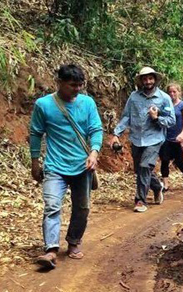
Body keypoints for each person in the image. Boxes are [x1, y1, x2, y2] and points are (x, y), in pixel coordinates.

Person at [30, 64, 103, 269]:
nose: (77, 89)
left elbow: (95, 129)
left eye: (80, 85)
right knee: (52, 205)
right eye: (72, 85)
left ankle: (73, 242)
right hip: (55, 165)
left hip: (83, 166)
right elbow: (36, 133)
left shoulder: (87, 103)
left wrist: (94, 152)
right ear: (59, 82)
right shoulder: (43, 105)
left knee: (82, 208)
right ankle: (51, 249)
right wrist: (35, 162)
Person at [110, 67, 175, 212]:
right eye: (145, 79)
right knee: (140, 169)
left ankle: (140, 201)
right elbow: (126, 116)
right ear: (141, 81)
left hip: (154, 139)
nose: (148, 81)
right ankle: (157, 187)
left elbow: (171, 120)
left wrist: (157, 118)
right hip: (136, 139)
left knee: (145, 166)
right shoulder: (134, 97)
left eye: (150, 78)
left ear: (155, 80)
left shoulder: (164, 98)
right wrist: (116, 134)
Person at [160, 83, 183, 191]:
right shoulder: (165, 105)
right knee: (164, 160)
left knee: (179, 161)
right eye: (170, 92)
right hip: (165, 137)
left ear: (179, 92)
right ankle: (165, 184)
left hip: (178, 137)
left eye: (174, 91)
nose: (172, 94)